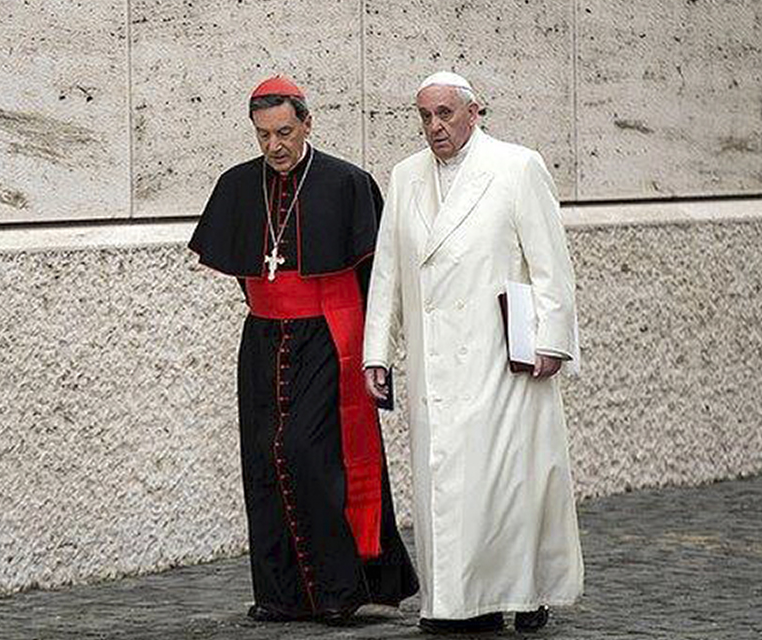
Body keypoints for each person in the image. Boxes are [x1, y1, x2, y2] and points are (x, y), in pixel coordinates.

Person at [188, 75, 418, 623]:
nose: (275, 146)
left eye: (285, 132)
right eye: (263, 135)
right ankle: (281, 594)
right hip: (264, 341)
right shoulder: (238, 184)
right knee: (265, 457)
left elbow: (374, 275)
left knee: (312, 457)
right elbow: (245, 271)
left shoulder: (345, 183)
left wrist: (369, 347)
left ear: (307, 124)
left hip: (324, 339)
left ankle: (339, 591)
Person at [361, 72, 584, 635]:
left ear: (474, 112)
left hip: (499, 357)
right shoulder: (407, 176)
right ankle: (455, 602)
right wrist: (376, 353)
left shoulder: (516, 167)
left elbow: (550, 263)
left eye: (445, 114)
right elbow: (387, 271)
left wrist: (553, 340)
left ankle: (524, 590)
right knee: (444, 484)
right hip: (434, 364)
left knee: (507, 481)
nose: (434, 127)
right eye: (425, 117)